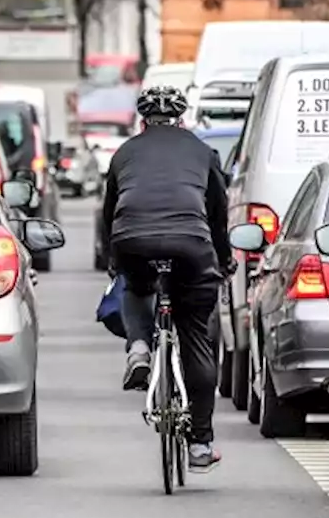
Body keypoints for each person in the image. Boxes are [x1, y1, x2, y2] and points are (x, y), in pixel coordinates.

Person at [100, 85, 233, 472]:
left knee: (137, 286)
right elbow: (218, 214)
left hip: (132, 240)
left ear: (142, 122)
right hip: (191, 244)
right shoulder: (202, 152)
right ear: (182, 119)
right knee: (194, 336)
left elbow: (110, 212)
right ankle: (200, 445)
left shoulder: (124, 153)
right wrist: (223, 260)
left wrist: (114, 258)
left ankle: (139, 348)